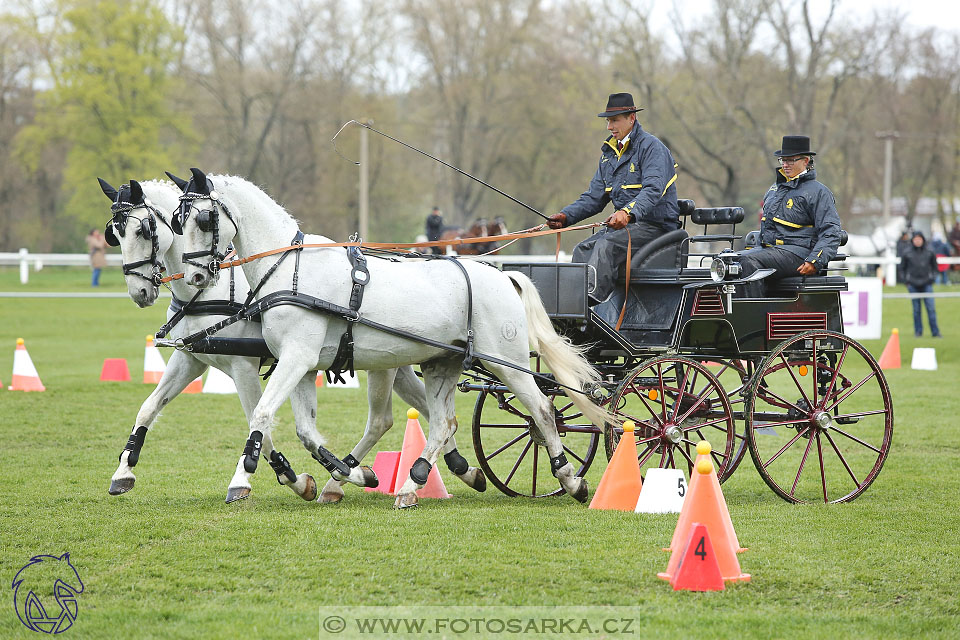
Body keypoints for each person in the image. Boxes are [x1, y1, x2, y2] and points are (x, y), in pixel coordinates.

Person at [547, 92, 680, 304]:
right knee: (582, 249)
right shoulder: (609, 154)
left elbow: (653, 190)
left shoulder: (652, 148)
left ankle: (590, 304)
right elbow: (594, 197)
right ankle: (571, 305)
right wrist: (566, 216)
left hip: (656, 228)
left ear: (631, 118)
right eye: (608, 121)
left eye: (615, 120)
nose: (610, 127)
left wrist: (627, 212)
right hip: (625, 229)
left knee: (606, 245)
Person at [737, 135, 843, 297]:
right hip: (773, 251)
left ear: (806, 161)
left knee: (748, 263)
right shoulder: (774, 190)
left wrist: (815, 260)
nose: (785, 165)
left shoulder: (818, 192)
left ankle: (750, 317)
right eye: (783, 160)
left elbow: (831, 232)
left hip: (800, 254)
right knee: (729, 260)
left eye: (791, 160)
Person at [901, 231, 942, 337]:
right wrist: (907, 282)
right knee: (916, 310)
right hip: (913, 285)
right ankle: (918, 332)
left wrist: (932, 279)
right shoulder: (907, 252)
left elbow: (935, 268)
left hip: (927, 284)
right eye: (915, 239)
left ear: (923, 239)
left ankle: (935, 332)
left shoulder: (930, 251)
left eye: (919, 239)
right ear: (913, 240)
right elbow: (902, 269)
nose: (918, 241)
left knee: (931, 309)